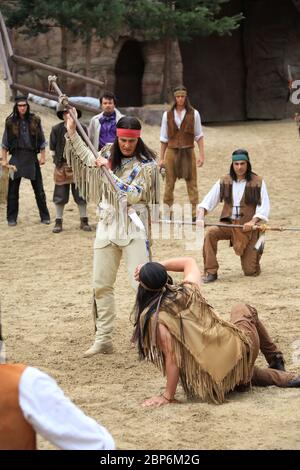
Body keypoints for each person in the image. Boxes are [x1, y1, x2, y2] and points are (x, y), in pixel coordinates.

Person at [132, 257, 300, 407]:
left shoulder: (152, 319)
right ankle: (275, 358)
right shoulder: (188, 291)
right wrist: (154, 266)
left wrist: (167, 395)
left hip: (216, 381)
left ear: (142, 287)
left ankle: (282, 378)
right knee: (242, 308)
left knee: (239, 370)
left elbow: (172, 358)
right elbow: (188, 262)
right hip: (239, 354)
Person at [65, 112, 160, 357]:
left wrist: (109, 173)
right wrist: (73, 131)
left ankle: (149, 338)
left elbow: (134, 194)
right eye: (123, 140)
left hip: (133, 227)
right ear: (117, 138)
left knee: (141, 284)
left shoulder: (147, 166)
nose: (126, 145)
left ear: (138, 140)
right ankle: (103, 337)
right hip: (107, 225)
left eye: (131, 141)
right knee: (101, 284)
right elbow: (88, 159)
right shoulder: (107, 152)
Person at [197, 148, 270, 283]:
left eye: (242, 164)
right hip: (228, 224)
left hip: (247, 227)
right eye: (236, 164)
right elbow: (207, 201)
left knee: (250, 271)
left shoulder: (258, 181)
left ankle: (259, 245)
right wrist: (200, 217)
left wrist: (253, 221)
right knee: (211, 233)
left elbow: (263, 207)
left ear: (248, 164)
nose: (239, 167)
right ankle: (211, 271)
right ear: (232, 164)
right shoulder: (225, 180)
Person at [1, 95, 50, 226]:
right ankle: (11, 218)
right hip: (16, 158)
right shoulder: (10, 122)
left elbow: (41, 140)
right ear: (16, 107)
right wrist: (5, 160)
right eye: (20, 106)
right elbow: (4, 143)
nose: (22, 108)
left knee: (39, 190)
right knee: (12, 191)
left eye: (24, 106)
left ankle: (45, 216)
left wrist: (43, 156)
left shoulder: (35, 120)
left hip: (31, 157)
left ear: (27, 106)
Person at [159, 85, 204, 221]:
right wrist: (161, 158)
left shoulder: (194, 114)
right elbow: (163, 138)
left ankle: (194, 214)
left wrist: (202, 155)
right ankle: (167, 212)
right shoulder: (167, 115)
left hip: (188, 151)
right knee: (169, 183)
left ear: (186, 97)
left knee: (192, 183)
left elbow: (199, 135)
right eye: (178, 96)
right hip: (172, 152)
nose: (180, 99)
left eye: (182, 96)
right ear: (174, 97)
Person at [50, 104, 91, 233]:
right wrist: (57, 162)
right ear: (62, 115)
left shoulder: (82, 128)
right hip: (62, 165)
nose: (69, 115)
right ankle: (58, 221)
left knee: (81, 195)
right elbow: (52, 148)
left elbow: (86, 147)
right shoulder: (56, 129)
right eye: (66, 113)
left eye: (71, 113)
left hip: (79, 167)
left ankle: (84, 220)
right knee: (60, 195)